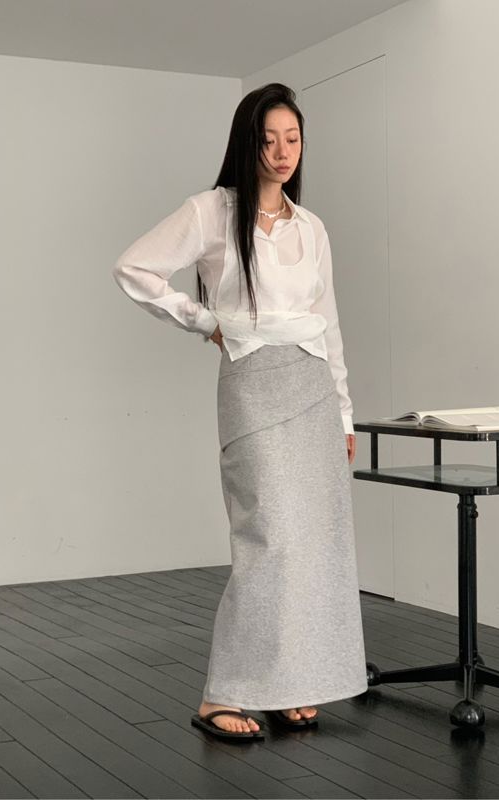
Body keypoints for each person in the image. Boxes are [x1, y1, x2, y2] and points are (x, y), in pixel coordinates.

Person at [112, 82, 368, 742]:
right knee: (268, 539)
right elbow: (134, 268)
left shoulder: (312, 227)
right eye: (269, 139)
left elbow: (328, 324)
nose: (282, 152)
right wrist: (204, 320)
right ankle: (223, 694)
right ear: (247, 143)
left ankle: (289, 686)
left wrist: (344, 415)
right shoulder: (211, 212)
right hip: (254, 384)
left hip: (312, 388)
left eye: (293, 139)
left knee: (314, 544)